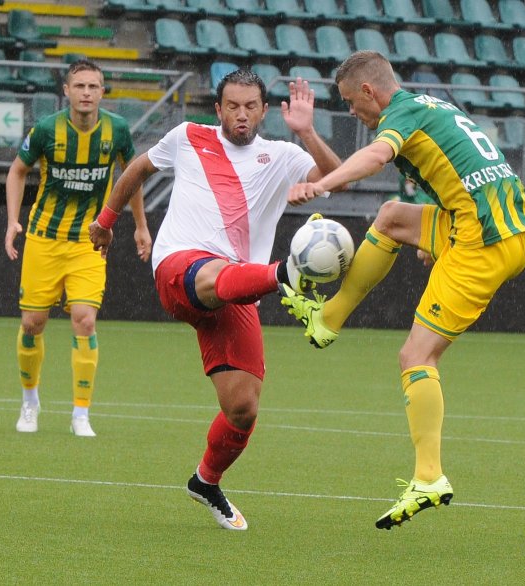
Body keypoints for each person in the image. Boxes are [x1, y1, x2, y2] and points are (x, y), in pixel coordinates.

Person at [279, 51, 525, 529]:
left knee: (416, 357)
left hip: (484, 241)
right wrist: (435, 233)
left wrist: (321, 186)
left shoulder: (399, 117)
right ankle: (328, 319)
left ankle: (429, 477)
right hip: (496, 223)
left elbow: (376, 158)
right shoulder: (430, 106)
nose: (352, 112)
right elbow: (463, 169)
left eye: (352, 103)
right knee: (394, 217)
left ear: (370, 92)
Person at [89, 70, 343, 530]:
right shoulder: (188, 137)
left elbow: (337, 179)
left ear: (265, 111)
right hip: (181, 268)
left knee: (243, 408)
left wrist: (306, 132)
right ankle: (287, 276)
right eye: (232, 106)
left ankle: (206, 481)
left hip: (241, 289)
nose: (241, 114)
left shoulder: (283, 155)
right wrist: (107, 220)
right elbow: (138, 168)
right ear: (218, 109)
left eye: (250, 106)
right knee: (216, 272)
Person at [5, 59, 150, 438]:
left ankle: (80, 413)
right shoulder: (46, 130)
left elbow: (131, 177)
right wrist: (12, 221)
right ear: (66, 91)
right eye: (80, 86)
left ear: (103, 92)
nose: (86, 93)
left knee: (85, 320)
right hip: (43, 240)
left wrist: (140, 226)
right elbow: (17, 170)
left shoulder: (117, 131)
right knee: (32, 324)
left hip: (90, 242)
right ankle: (30, 401)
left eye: (94, 86)